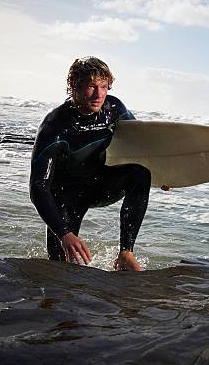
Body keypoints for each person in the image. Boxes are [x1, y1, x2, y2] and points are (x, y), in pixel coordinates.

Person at [29, 56, 156, 271]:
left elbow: (139, 142)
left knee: (140, 173)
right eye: (91, 86)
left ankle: (126, 253)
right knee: (59, 268)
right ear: (74, 86)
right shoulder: (55, 126)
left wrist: (164, 173)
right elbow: (38, 186)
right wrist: (63, 233)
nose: (99, 94)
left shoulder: (113, 108)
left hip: (100, 184)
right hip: (66, 197)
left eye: (104, 86)